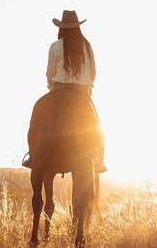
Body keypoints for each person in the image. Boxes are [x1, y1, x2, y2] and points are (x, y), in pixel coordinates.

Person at [23, 10, 106, 173]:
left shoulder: (55, 46)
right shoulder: (87, 46)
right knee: (97, 125)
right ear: (78, 27)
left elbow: (50, 72)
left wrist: (51, 87)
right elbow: (93, 71)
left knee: (35, 121)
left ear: (61, 27)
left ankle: (32, 156)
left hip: (58, 88)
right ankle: (99, 160)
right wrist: (87, 85)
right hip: (81, 92)